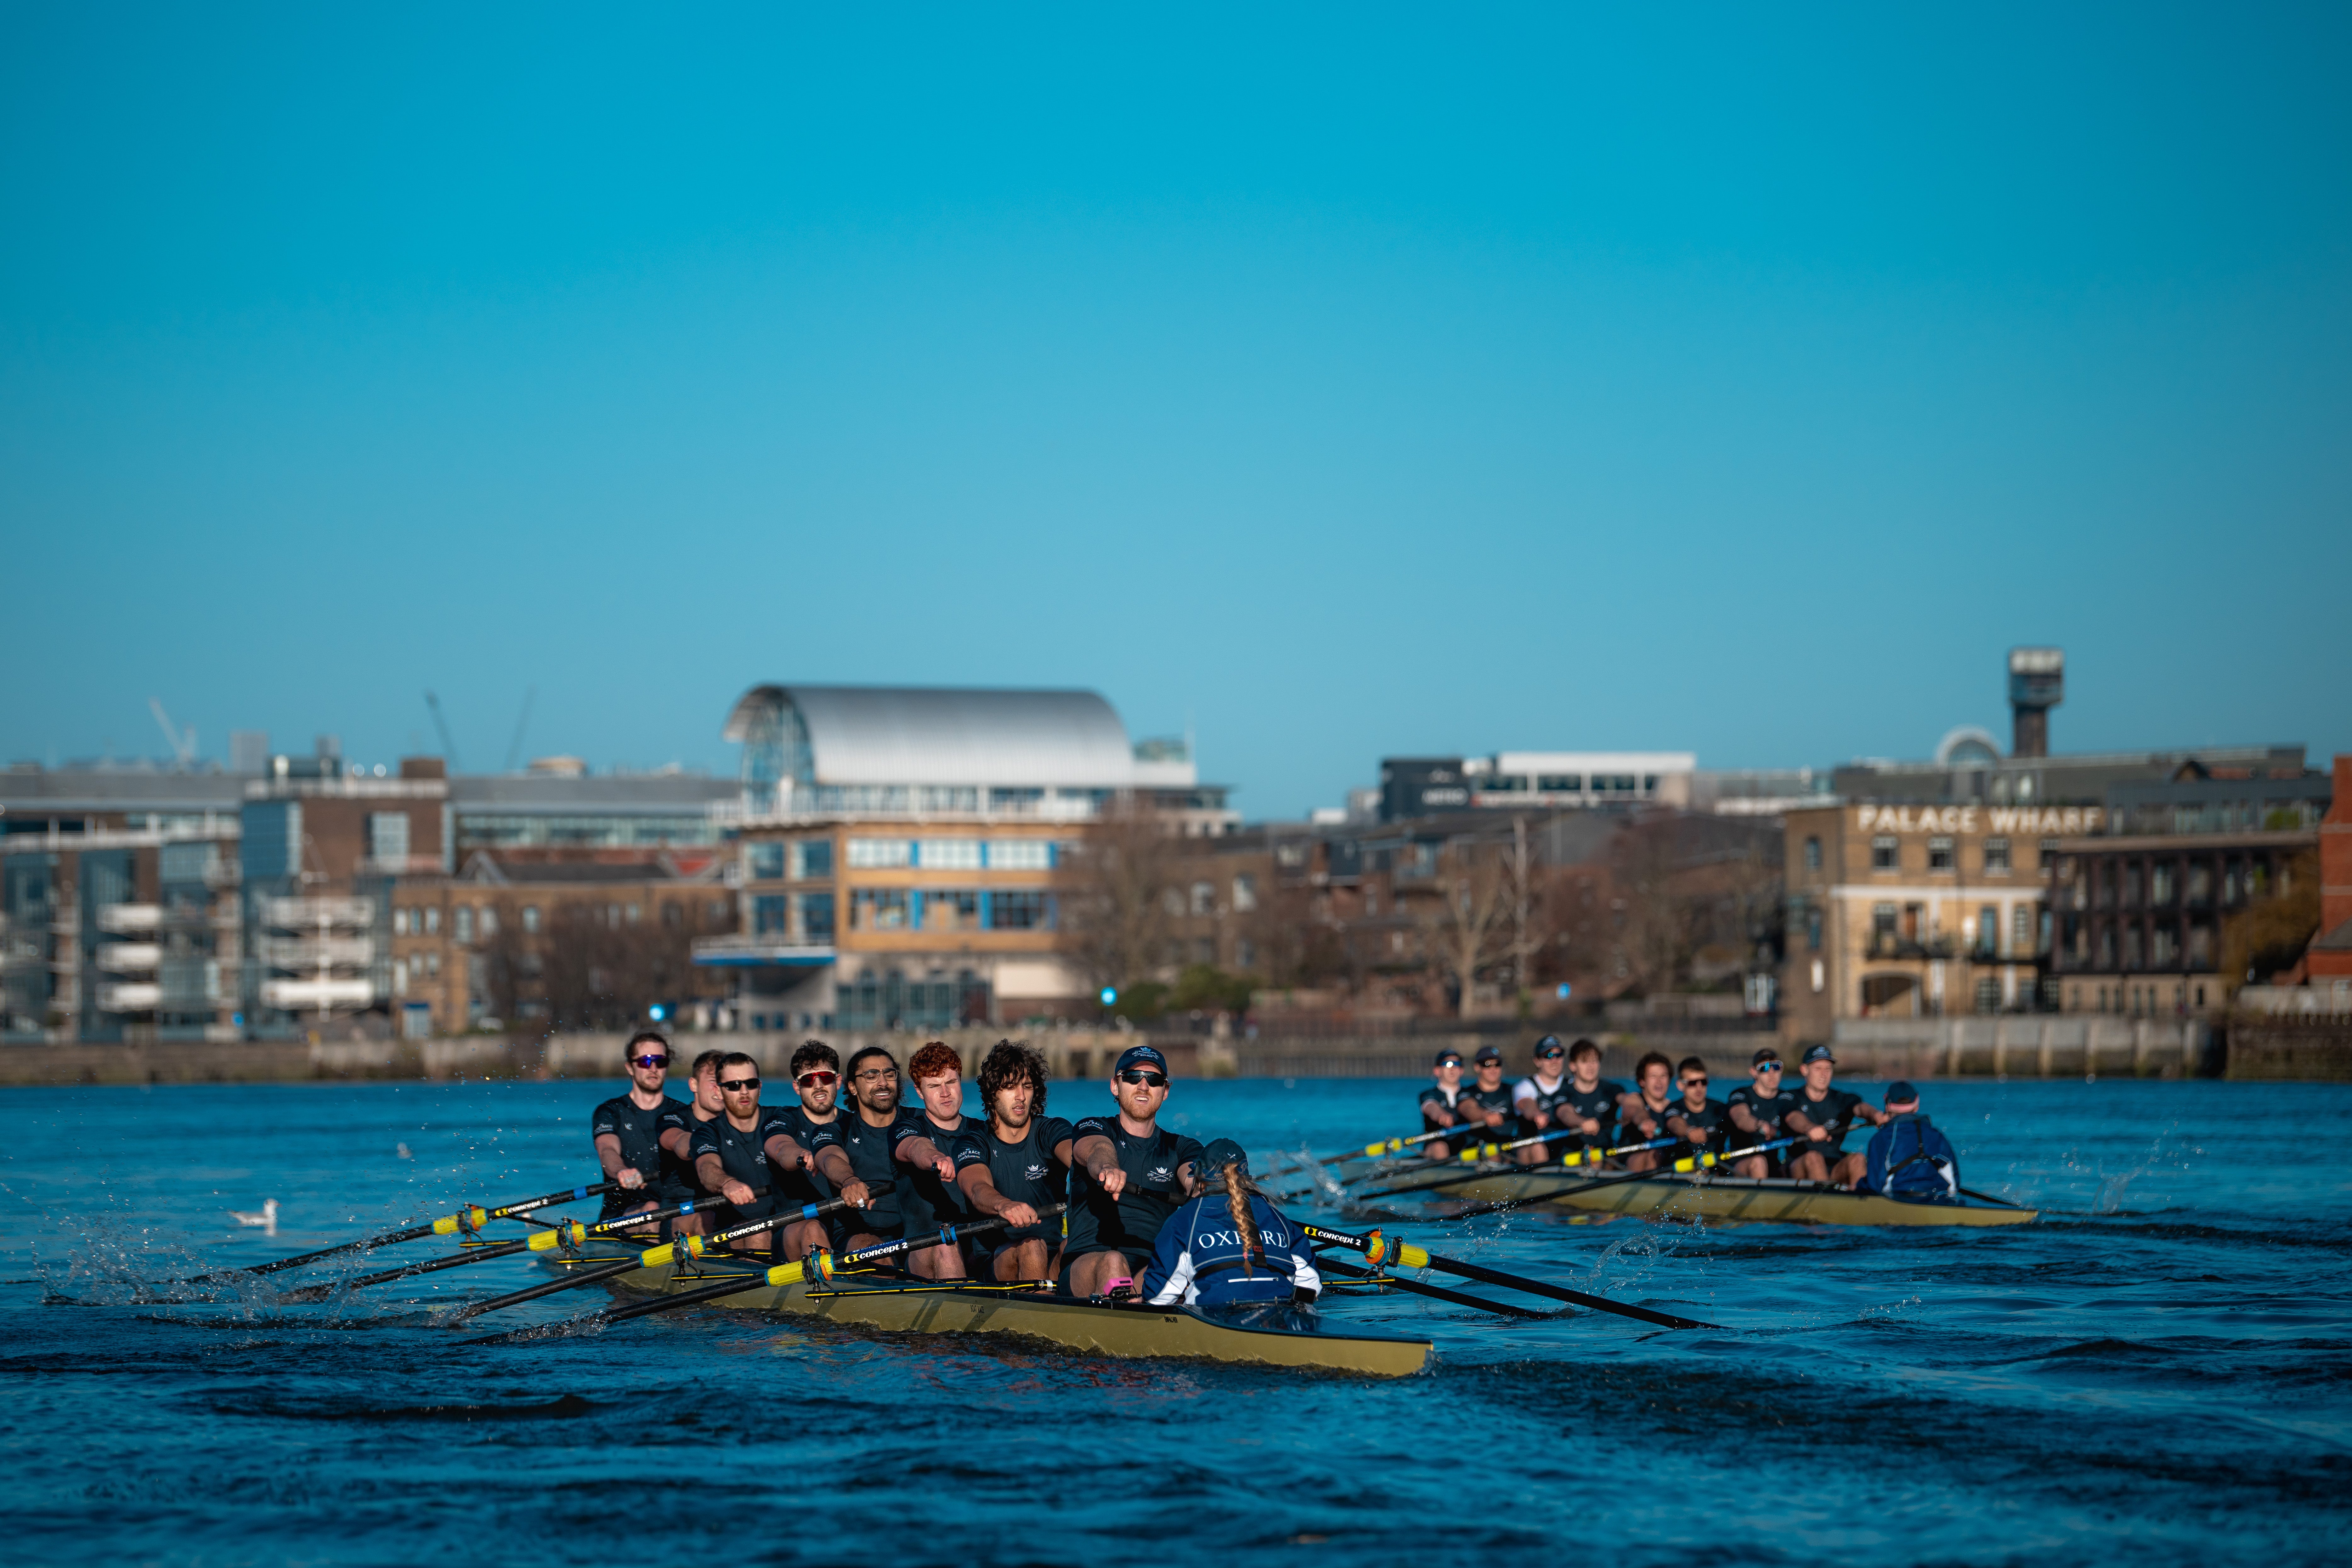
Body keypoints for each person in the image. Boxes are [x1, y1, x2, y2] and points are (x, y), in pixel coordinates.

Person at [1062, 1044, 1204, 1299]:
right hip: (1086, 1265)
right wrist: (1107, 1167)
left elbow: (1192, 1174)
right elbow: (1096, 1150)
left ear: (1165, 1091)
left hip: (1149, 1269)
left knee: (1188, 1265)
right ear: (1115, 1086)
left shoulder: (1182, 1147)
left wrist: (1201, 1187)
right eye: (1133, 1077)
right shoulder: (1092, 1127)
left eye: (1154, 1079)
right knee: (1114, 1263)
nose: (1144, 1086)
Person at [808, 1045, 960, 1276]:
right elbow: (829, 1157)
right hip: (859, 1235)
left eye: (889, 1074)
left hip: (915, 1233)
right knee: (870, 1245)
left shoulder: (920, 1121)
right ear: (853, 1087)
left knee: (943, 1242)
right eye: (871, 1076)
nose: (883, 1083)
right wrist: (849, 1180)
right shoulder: (836, 1130)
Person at [1142, 1140, 1320, 1311]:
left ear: (1200, 1178)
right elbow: (1312, 1285)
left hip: (1214, 1315)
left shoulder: (1184, 1219)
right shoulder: (1278, 1217)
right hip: (1280, 1313)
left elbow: (1158, 1297)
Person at [952, 1040, 1075, 1283]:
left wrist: (1099, 1170)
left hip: (1051, 1257)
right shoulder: (973, 1142)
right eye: (1010, 1087)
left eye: (1027, 1086)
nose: (1021, 1097)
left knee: (1079, 1245)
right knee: (1032, 1247)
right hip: (998, 1260)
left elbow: (1077, 1155)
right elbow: (977, 1189)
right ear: (992, 1093)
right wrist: (1004, 1205)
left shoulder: (1051, 1130)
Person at [895, 1040, 983, 1278]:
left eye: (951, 1083)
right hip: (925, 1251)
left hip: (976, 1248)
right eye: (934, 1086)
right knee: (946, 1244)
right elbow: (915, 1147)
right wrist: (937, 1158)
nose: (945, 1093)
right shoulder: (906, 1128)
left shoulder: (983, 1131)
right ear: (919, 1091)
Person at [589, 1030, 692, 1233]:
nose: (653, 1068)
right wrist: (621, 1171)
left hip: (673, 1211)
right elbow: (607, 1149)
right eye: (645, 1061)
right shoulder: (611, 1112)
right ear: (630, 1067)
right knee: (653, 1208)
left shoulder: (682, 1114)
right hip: (620, 1214)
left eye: (660, 1062)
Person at [765, 1040, 844, 1257]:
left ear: (838, 1081)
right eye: (808, 1080)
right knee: (813, 1228)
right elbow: (781, 1148)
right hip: (794, 1229)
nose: (818, 1086)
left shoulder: (853, 1124)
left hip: (844, 1231)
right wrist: (801, 1156)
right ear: (796, 1087)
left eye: (825, 1077)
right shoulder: (783, 1121)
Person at [1784, 1044, 1888, 1188]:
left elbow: (1860, 1108)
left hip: (1834, 1167)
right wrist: (1809, 1128)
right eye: (1818, 1069)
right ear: (1804, 1070)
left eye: (1828, 1069)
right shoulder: (1790, 1098)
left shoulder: (1841, 1099)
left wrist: (1876, 1114)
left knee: (1858, 1158)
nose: (1824, 1074)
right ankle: (1827, 1200)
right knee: (1814, 1157)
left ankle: (1861, 1200)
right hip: (1799, 1167)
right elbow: (1792, 1118)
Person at [1860, 1083, 1962, 1201]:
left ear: (1887, 1107)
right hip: (1939, 1201)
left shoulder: (1881, 1139)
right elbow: (1954, 1183)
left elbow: (1875, 1186)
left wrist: (1857, 1186)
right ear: (1916, 1106)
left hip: (1899, 1201)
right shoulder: (1937, 1136)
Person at [1726, 1049, 1801, 1178]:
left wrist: (1811, 1128)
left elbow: (1796, 1118)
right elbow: (1741, 1119)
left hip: (1773, 1165)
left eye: (1776, 1067)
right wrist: (1760, 1126)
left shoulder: (1786, 1098)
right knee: (1759, 1161)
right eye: (1764, 1068)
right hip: (1739, 1165)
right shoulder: (1741, 1095)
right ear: (1754, 1072)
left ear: (1782, 1069)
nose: (1772, 1073)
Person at [1554, 1038, 1627, 1168]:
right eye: (1585, 1062)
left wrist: (1636, 1112)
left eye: (1594, 1061)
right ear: (1573, 1066)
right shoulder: (1564, 1092)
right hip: (1572, 1155)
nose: (1591, 1067)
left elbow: (1629, 1101)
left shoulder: (1612, 1089)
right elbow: (1565, 1113)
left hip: (1605, 1153)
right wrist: (1582, 1123)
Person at [1511, 1035, 1574, 1164]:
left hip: (1564, 1150)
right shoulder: (1524, 1086)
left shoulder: (1572, 1084)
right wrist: (1537, 1114)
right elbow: (1526, 1104)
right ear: (1537, 1061)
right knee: (1537, 1147)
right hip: (1531, 1149)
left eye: (1559, 1055)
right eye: (1549, 1056)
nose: (1554, 1061)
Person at [1613, 1051, 1678, 1172]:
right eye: (1654, 1076)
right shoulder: (1634, 1099)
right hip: (1628, 1164)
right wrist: (1644, 1122)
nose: (1659, 1082)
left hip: (1664, 1164)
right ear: (1642, 1081)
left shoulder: (1674, 1109)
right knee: (1651, 1153)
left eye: (1663, 1076)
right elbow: (1635, 1111)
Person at [1661, 1056, 1730, 1164]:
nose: (1699, 1088)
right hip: (1683, 1168)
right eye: (1692, 1083)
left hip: (1717, 1166)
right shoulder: (1673, 1108)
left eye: (1703, 1082)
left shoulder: (1720, 1108)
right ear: (1680, 1085)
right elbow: (1674, 1123)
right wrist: (1689, 1131)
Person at [1416, 1049, 1470, 1159]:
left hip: (1465, 1147)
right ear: (1437, 1071)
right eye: (1448, 1064)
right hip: (1435, 1147)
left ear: (1462, 1071)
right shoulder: (1428, 1095)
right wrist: (1441, 1116)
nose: (1453, 1069)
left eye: (1457, 1064)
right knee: (1440, 1147)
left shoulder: (1471, 1094)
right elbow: (1431, 1107)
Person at [1459, 1045, 1515, 1140]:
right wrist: (1485, 1116)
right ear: (1477, 1067)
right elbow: (1468, 1109)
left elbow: (1525, 1104)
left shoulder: (1513, 1090)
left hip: (1510, 1144)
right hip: (1480, 1146)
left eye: (1497, 1064)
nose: (1493, 1069)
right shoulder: (1467, 1092)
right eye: (1487, 1064)